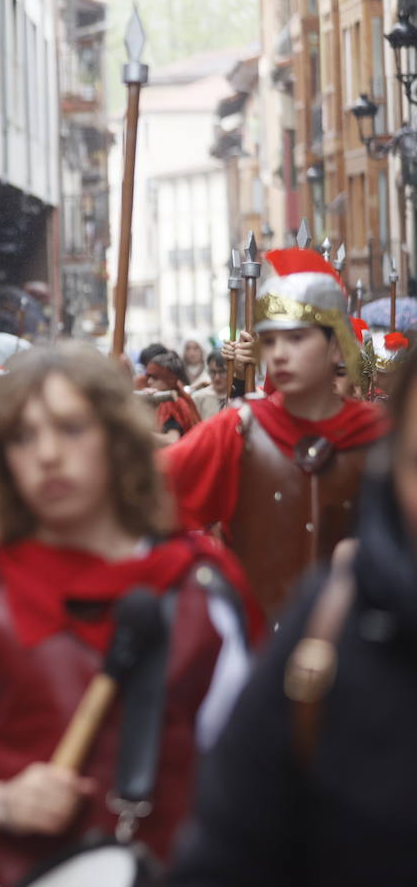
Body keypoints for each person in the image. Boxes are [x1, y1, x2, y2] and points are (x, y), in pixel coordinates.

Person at [0, 342, 255, 887]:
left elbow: (255, 771)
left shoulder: (204, 590)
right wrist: (2, 801)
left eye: (72, 429)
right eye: (24, 437)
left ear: (118, 443)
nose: (48, 454)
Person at [169, 357, 417, 886]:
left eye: (298, 340)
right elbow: (229, 846)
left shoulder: (367, 431)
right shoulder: (327, 626)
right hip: (272, 634)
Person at [163, 248, 388, 617]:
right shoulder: (237, 428)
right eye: (270, 341)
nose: (279, 354)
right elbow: (145, 495)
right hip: (261, 642)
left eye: (296, 338)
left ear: (336, 346)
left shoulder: (383, 435)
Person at [145, 350, 201, 444]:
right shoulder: (179, 396)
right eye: (149, 377)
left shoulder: (171, 403)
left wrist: (140, 433)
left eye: (155, 378)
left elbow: (172, 439)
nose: (149, 382)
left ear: (168, 380)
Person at [190, 350, 230, 420]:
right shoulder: (198, 397)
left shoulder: (237, 397)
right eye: (213, 372)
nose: (217, 377)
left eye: (222, 371)